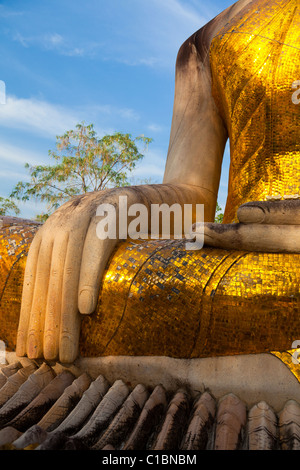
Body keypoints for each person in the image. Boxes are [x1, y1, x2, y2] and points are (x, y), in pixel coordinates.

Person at [1, 0, 299, 364]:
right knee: (37, 256)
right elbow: (194, 204)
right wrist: (122, 206)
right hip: (231, 268)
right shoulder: (205, 43)